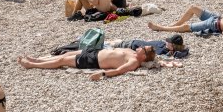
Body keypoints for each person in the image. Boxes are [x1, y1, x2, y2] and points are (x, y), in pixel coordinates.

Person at [18, 47, 156, 81]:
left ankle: (31, 65)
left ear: (143, 55)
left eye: (143, 48)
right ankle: (38, 60)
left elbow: (119, 70)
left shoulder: (133, 62)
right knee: (65, 54)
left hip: (93, 61)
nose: (141, 46)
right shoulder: (132, 52)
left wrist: (101, 74)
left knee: (61, 61)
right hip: (95, 52)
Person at [148, 3, 223, 35]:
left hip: (213, 25)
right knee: (193, 7)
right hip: (216, 18)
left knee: (186, 27)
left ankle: (161, 28)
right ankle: (175, 23)